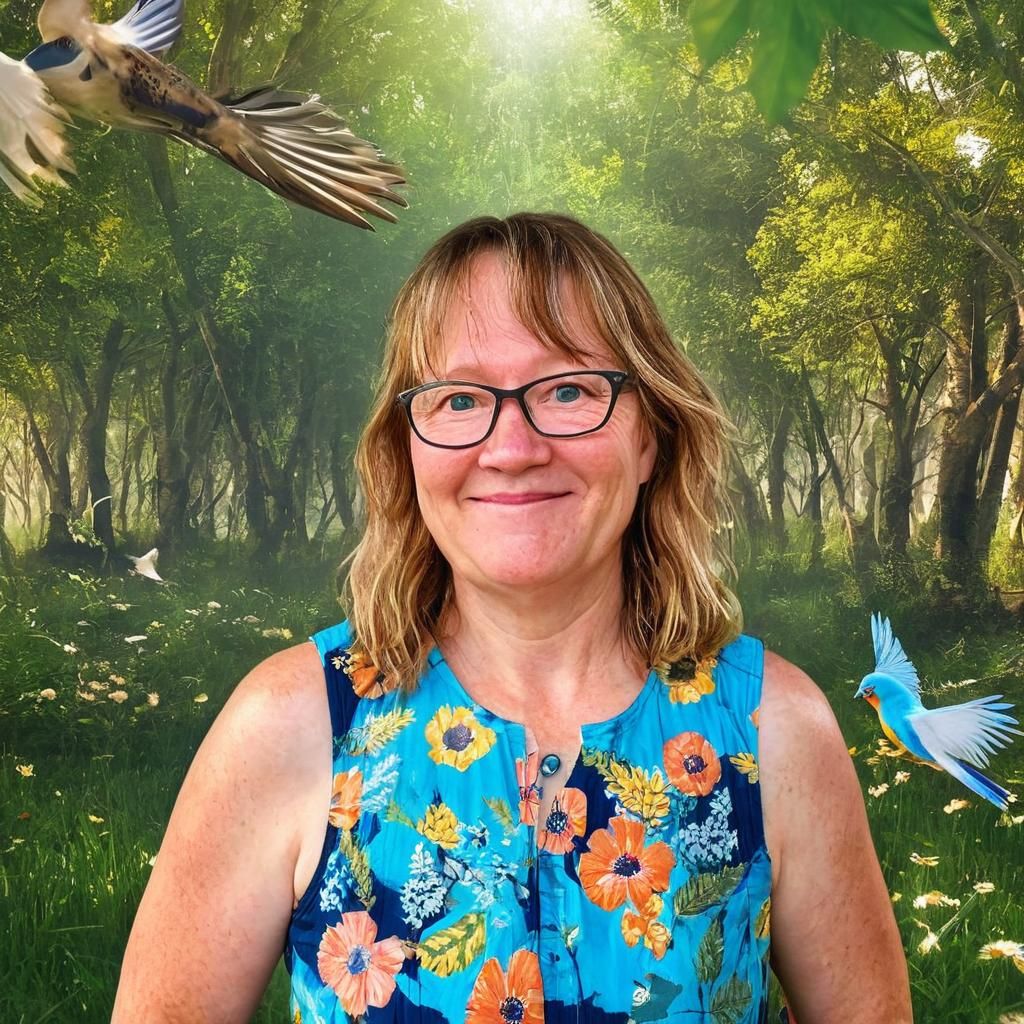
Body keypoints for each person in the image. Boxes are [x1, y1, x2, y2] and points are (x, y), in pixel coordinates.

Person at [111, 212, 912, 1023]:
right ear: (409, 449)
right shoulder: (288, 727)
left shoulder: (775, 730)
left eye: (568, 390)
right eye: (460, 399)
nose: (512, 445)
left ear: (650, 439)